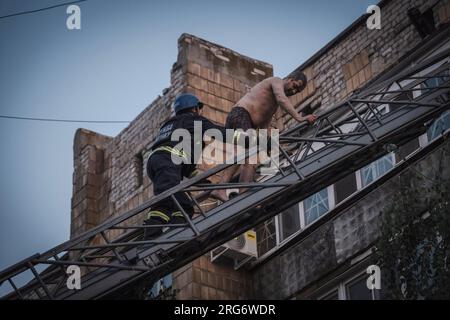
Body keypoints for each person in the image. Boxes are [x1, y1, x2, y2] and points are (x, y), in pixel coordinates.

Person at [210, 71, 317, 202]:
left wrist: (267, 147)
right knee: (243, 150)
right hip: (240, 115)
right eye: (295, 86)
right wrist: (299, 118)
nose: (294, 91)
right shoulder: (276, 81)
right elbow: (281, 97)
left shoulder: (273, 106)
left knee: (252, 157)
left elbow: (263, 126)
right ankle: (220, 188)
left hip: (246, 123)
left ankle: (244, 193)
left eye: (298, 91)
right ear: (289, 78)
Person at [143, 93, 227, 240]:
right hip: (168, 161)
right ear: (195, 108)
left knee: (168, 201)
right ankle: (173, 237)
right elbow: (221, 134)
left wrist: (204, 183)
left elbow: (187, 169)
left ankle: (161, 234)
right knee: (181, 205)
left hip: (157, 163)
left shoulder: (170, 124)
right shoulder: (192, 120)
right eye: (199, 109)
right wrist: (257, 141)